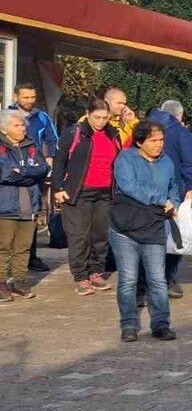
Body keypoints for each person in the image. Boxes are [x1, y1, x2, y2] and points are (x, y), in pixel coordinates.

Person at [109, 120, 181, 341]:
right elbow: (130, 187)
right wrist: (161, 200)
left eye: (161, 140)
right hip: (125, 228)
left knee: (158, 279)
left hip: (154, 227)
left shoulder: (167, 162)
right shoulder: (125, 159)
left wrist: (173, 202)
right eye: (153, 140)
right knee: (128, 279)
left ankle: (160, 324)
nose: (159, 145)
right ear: (140, 142)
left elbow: (173, 187)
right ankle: (129, 325)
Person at [51, 99, 121, 297]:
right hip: (79, 192)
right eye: (97, 117)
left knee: (100, 235)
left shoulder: (112, 134)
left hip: (105, 193)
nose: (100, 121)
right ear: (88, 113)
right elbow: (59, 162)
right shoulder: (74, 133)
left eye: (105, 118)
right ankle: (81, 276)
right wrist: (57, 187)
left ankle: (96, 273)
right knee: (79, 236)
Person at [147, 100, 192, 297]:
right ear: (180, 115)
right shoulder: (181, 132)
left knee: (147, 237)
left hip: (145, 190)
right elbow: (189, 161)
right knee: (174, 237)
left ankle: (145, 285)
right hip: (173, 191)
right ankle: (169, 280)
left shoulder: (143, 127)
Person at [0, 110, 50, 303]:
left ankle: (19, 281)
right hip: (5, 207)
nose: (22, 129)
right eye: (17, 125)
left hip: (29, 205)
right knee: (3, 247)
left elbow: (43, 168)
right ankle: (2, 283)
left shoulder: (30, 145)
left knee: (23, 247)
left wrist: (20, 171)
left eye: (23, 125)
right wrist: (29, 173)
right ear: (5, 129)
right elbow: (3, 174)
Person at [9, 84, 57, 274]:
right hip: (11, 171)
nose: (30, 101)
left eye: (32, 97)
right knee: (9, 214)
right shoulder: (6, 115)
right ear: (16, 96)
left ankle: (31, 256)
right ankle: (10, 259)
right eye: (25, 97)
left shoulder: (42, 117)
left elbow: (52, 139)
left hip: (34, 171)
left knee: (32, 214)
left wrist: (49, 161)